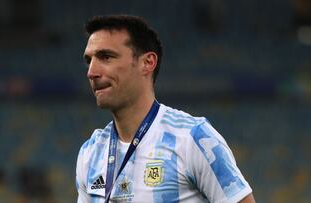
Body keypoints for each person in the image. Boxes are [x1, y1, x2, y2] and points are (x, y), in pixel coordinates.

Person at [76, 14, 255, 203]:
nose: (91, 72)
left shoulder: (193, 138)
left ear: (147, 63)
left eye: (106, 57)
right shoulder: (91, 152)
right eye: (89, 60)